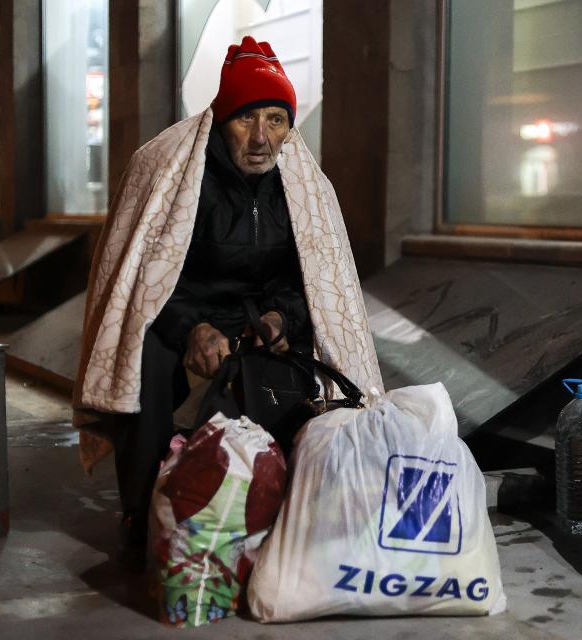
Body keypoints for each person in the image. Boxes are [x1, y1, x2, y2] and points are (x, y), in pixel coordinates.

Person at [72, 37, 383, 559]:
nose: (262, 138)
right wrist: (192, 328)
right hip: (182, 313)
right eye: (246, 119)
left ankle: (279, 505)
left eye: (276, 120)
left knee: (305, 373)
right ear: (222, 120)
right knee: (144, 359)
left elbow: (315, 278)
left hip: (258, 317)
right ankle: (143, 512)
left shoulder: (302, 187)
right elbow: (145, 280)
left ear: (289, 127)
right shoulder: (174, 175)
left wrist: (282, 318)